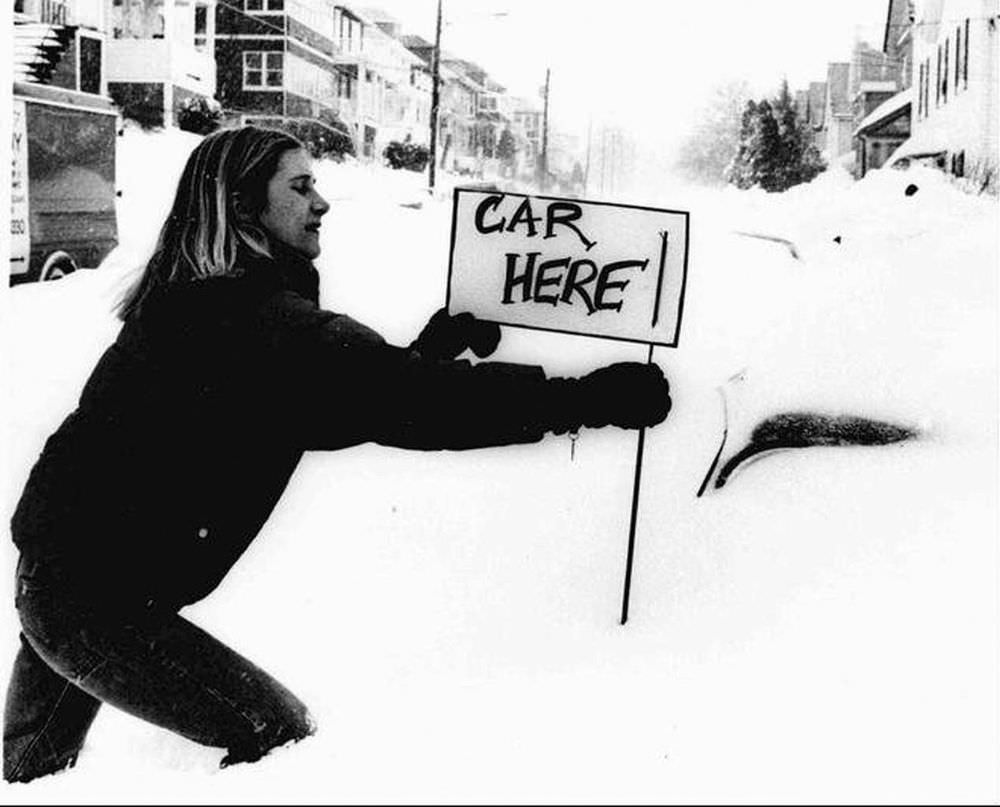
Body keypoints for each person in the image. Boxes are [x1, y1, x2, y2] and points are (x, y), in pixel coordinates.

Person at [3, 126, 671, 783]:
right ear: (243, 208)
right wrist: (584, 399)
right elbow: (400, 401)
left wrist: (424, 356)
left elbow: (325, 400)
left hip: (68, 579)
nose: (320, 202)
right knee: (276, 730)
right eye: (300, 187)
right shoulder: (251, 318)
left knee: (26, 775)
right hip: (90, 599)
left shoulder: (211, 306)